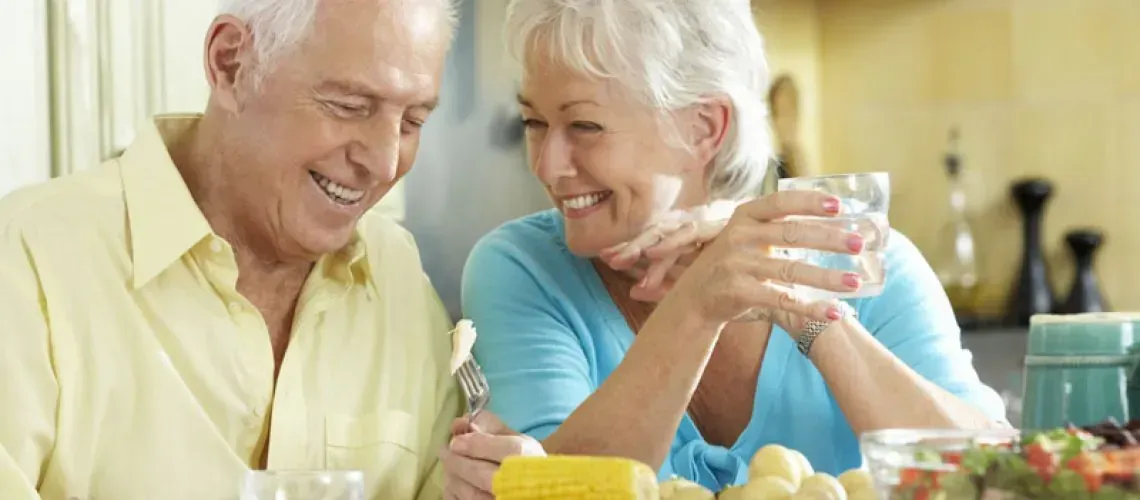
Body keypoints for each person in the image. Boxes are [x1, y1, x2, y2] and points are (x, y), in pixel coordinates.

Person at [440, 0, 1007, 496]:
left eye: (584, 126)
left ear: (704, 129)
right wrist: (697, 305)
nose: (547, 164)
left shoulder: (857, 260)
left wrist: (806, 309)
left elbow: (994, 477)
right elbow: (553, 490)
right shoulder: (520, 270)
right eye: (535, 122)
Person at [0, 0, 463, 499]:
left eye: (413, 122)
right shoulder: (29, 260)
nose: (385, 161)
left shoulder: (398, 280)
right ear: (231, 65)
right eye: (350, 107)